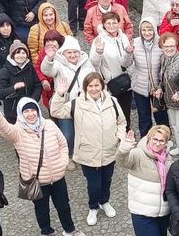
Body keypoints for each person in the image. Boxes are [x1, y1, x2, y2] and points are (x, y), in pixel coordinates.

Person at [0, 96, 88, 236]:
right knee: (41, 208)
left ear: (38, 111)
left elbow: (63, 144)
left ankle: (69, 229)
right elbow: (5, 129)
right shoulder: (17, 131)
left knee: (64, 205)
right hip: (36, 180)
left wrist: (63, 162)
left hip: (57, 177)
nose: (30, 114)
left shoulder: (49, 125)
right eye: (26, 111)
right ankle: (46, 233)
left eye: (33, 110)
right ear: (20, 113)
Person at [51, 73, 128, 226]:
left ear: (102, 86)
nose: (93, 89)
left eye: (96, 85)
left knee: (107, 180)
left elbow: (122, 121)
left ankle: (104, 202)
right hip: (88, 152)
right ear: (85, 88)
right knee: (93, 183)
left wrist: (118, 136)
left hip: (109, 150)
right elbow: (56, 111)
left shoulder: (112, 101)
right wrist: (60, 94)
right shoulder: (77, 103)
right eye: (90, 86)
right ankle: (93, 206)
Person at [117, 126, 173, 236]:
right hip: (142, 210)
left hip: (162, 209)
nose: (157, 143)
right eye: (154, 139)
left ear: (166, 143)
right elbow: (122, 160)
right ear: (148, 139)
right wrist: (125, 146)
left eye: (161, 140)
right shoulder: (138, 154)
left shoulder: (167, 157)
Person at [42, 36, 92, 163]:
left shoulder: (86, 62)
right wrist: (49, 58)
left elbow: (94, 77)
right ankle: (68, 156)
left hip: (84, 104)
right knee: (68, 134)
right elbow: (47, 71)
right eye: (69, 52)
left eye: (75, 52)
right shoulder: (58, 63)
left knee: (84, 131)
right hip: (66, 104)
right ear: (63, 53)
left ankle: (82, 153)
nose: (73, 55)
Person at [90, 12, 136, 129]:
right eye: (108, 23)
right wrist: (98, 52)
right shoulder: (99, 40)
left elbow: (126, 62)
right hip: (111, 82)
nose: (111, 25)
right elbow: (93, 63)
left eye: (114, 23)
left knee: (125, 112)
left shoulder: (124, 37)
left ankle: (126, 134)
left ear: (118, 23)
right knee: (112, 112)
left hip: (125, 81)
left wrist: (129, 53)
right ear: (104, 25)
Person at [132, 18, 168, 137]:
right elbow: (126, 64)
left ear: (154, 30)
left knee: (161, 115)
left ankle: (164, 138)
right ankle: (145, 140)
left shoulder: (161, 43)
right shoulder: (134, 43)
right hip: (140, 86)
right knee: (144, 116)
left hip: (157, 88)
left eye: (150, 29)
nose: (147, 33)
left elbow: (164, 67)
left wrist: (160, 87)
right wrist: (128, 53)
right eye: (144, 30)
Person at [157, 33, 179, 156]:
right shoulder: (163, 58)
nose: (169, 48)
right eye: (166, 46)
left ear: (176, 45)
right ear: (162, 46)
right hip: (169, 99)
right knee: (174, 125)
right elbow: (162, 78)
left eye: (172, 45)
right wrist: (159, 88)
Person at [0, 40, 43, 124]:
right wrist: (13, 88)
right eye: (17, 53)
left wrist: (32, 100)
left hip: (30, 111)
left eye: (23, 53)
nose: (21, 55)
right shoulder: (4, 71)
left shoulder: (30, 68)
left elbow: (38, 85)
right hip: (13, 113)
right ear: (12, 55)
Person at [34, 31, 62, 109]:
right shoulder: (44, 51)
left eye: (53, 40)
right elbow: (37, 67)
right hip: (48, 87)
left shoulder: (65, 51)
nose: (50, 43)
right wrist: (43, 80)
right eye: (47, 41)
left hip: (62, 86)